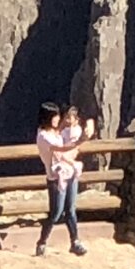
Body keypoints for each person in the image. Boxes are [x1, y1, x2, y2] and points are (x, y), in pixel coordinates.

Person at [33, 102, 92, 256]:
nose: (58, 119)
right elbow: (62, 148)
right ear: (47, 118)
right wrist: (81, 140)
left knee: (71, 210)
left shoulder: (55, 132)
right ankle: (42, 242)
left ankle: (75, 242)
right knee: (56, 213)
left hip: (69, 172)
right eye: (54, 116)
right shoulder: (43, 136)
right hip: (56, 178)